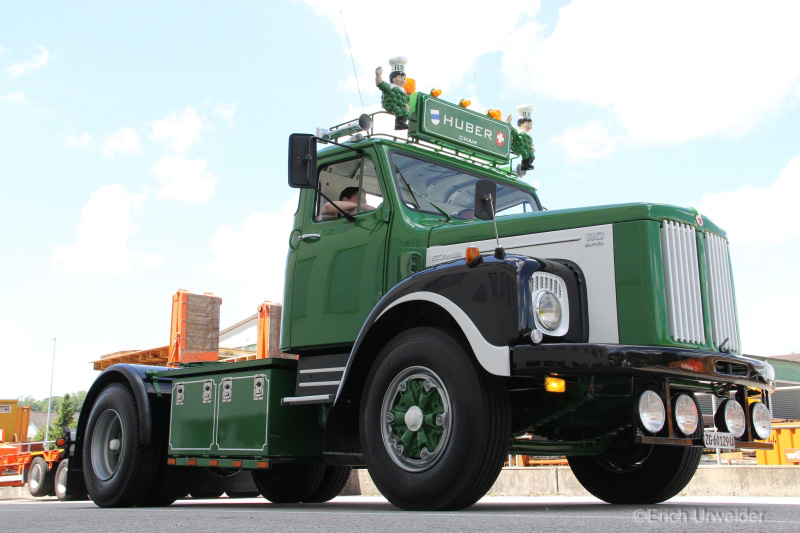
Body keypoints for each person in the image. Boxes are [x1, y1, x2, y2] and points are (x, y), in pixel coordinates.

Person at [376, 56, 410, 130]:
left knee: (405, 112)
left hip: (401, 106)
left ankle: (402, 123)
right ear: (393, 78)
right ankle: (398, 124)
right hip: (391, 104)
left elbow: (405, 99)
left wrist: (407, 105)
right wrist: (378, 75)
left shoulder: (403, 91)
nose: (403, 80)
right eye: (400, 77)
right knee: (398, 111)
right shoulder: (390, 87)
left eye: (404, 78)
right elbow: (380, 84)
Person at [506, 104, 535, 171]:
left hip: (526, 148)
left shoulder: (529, 135)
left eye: (530, 124)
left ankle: (527, 164)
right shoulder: (519, 131)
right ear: (521, 124)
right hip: (518, 147)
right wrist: (508, 122)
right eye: (527, 124)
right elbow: (512, 130)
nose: (529, 126)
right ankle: (524, 165)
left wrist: (532, 147)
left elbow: (530, 143)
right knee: (525, 153)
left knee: (531, 155)